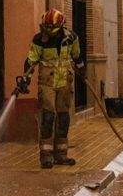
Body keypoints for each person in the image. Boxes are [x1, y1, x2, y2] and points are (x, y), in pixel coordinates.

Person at [16, 9, 84, 169]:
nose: (48, 32)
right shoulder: (39, 40)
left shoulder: (71, 38)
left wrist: (81, 70)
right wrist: (25, 78)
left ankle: (61, 154)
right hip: (47, 83)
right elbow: (31, 60)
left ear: (60, 26)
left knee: (63, 117)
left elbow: (77, 56)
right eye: (46, 28)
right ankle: (46, 156)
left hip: (64, 83)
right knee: (47, 117)